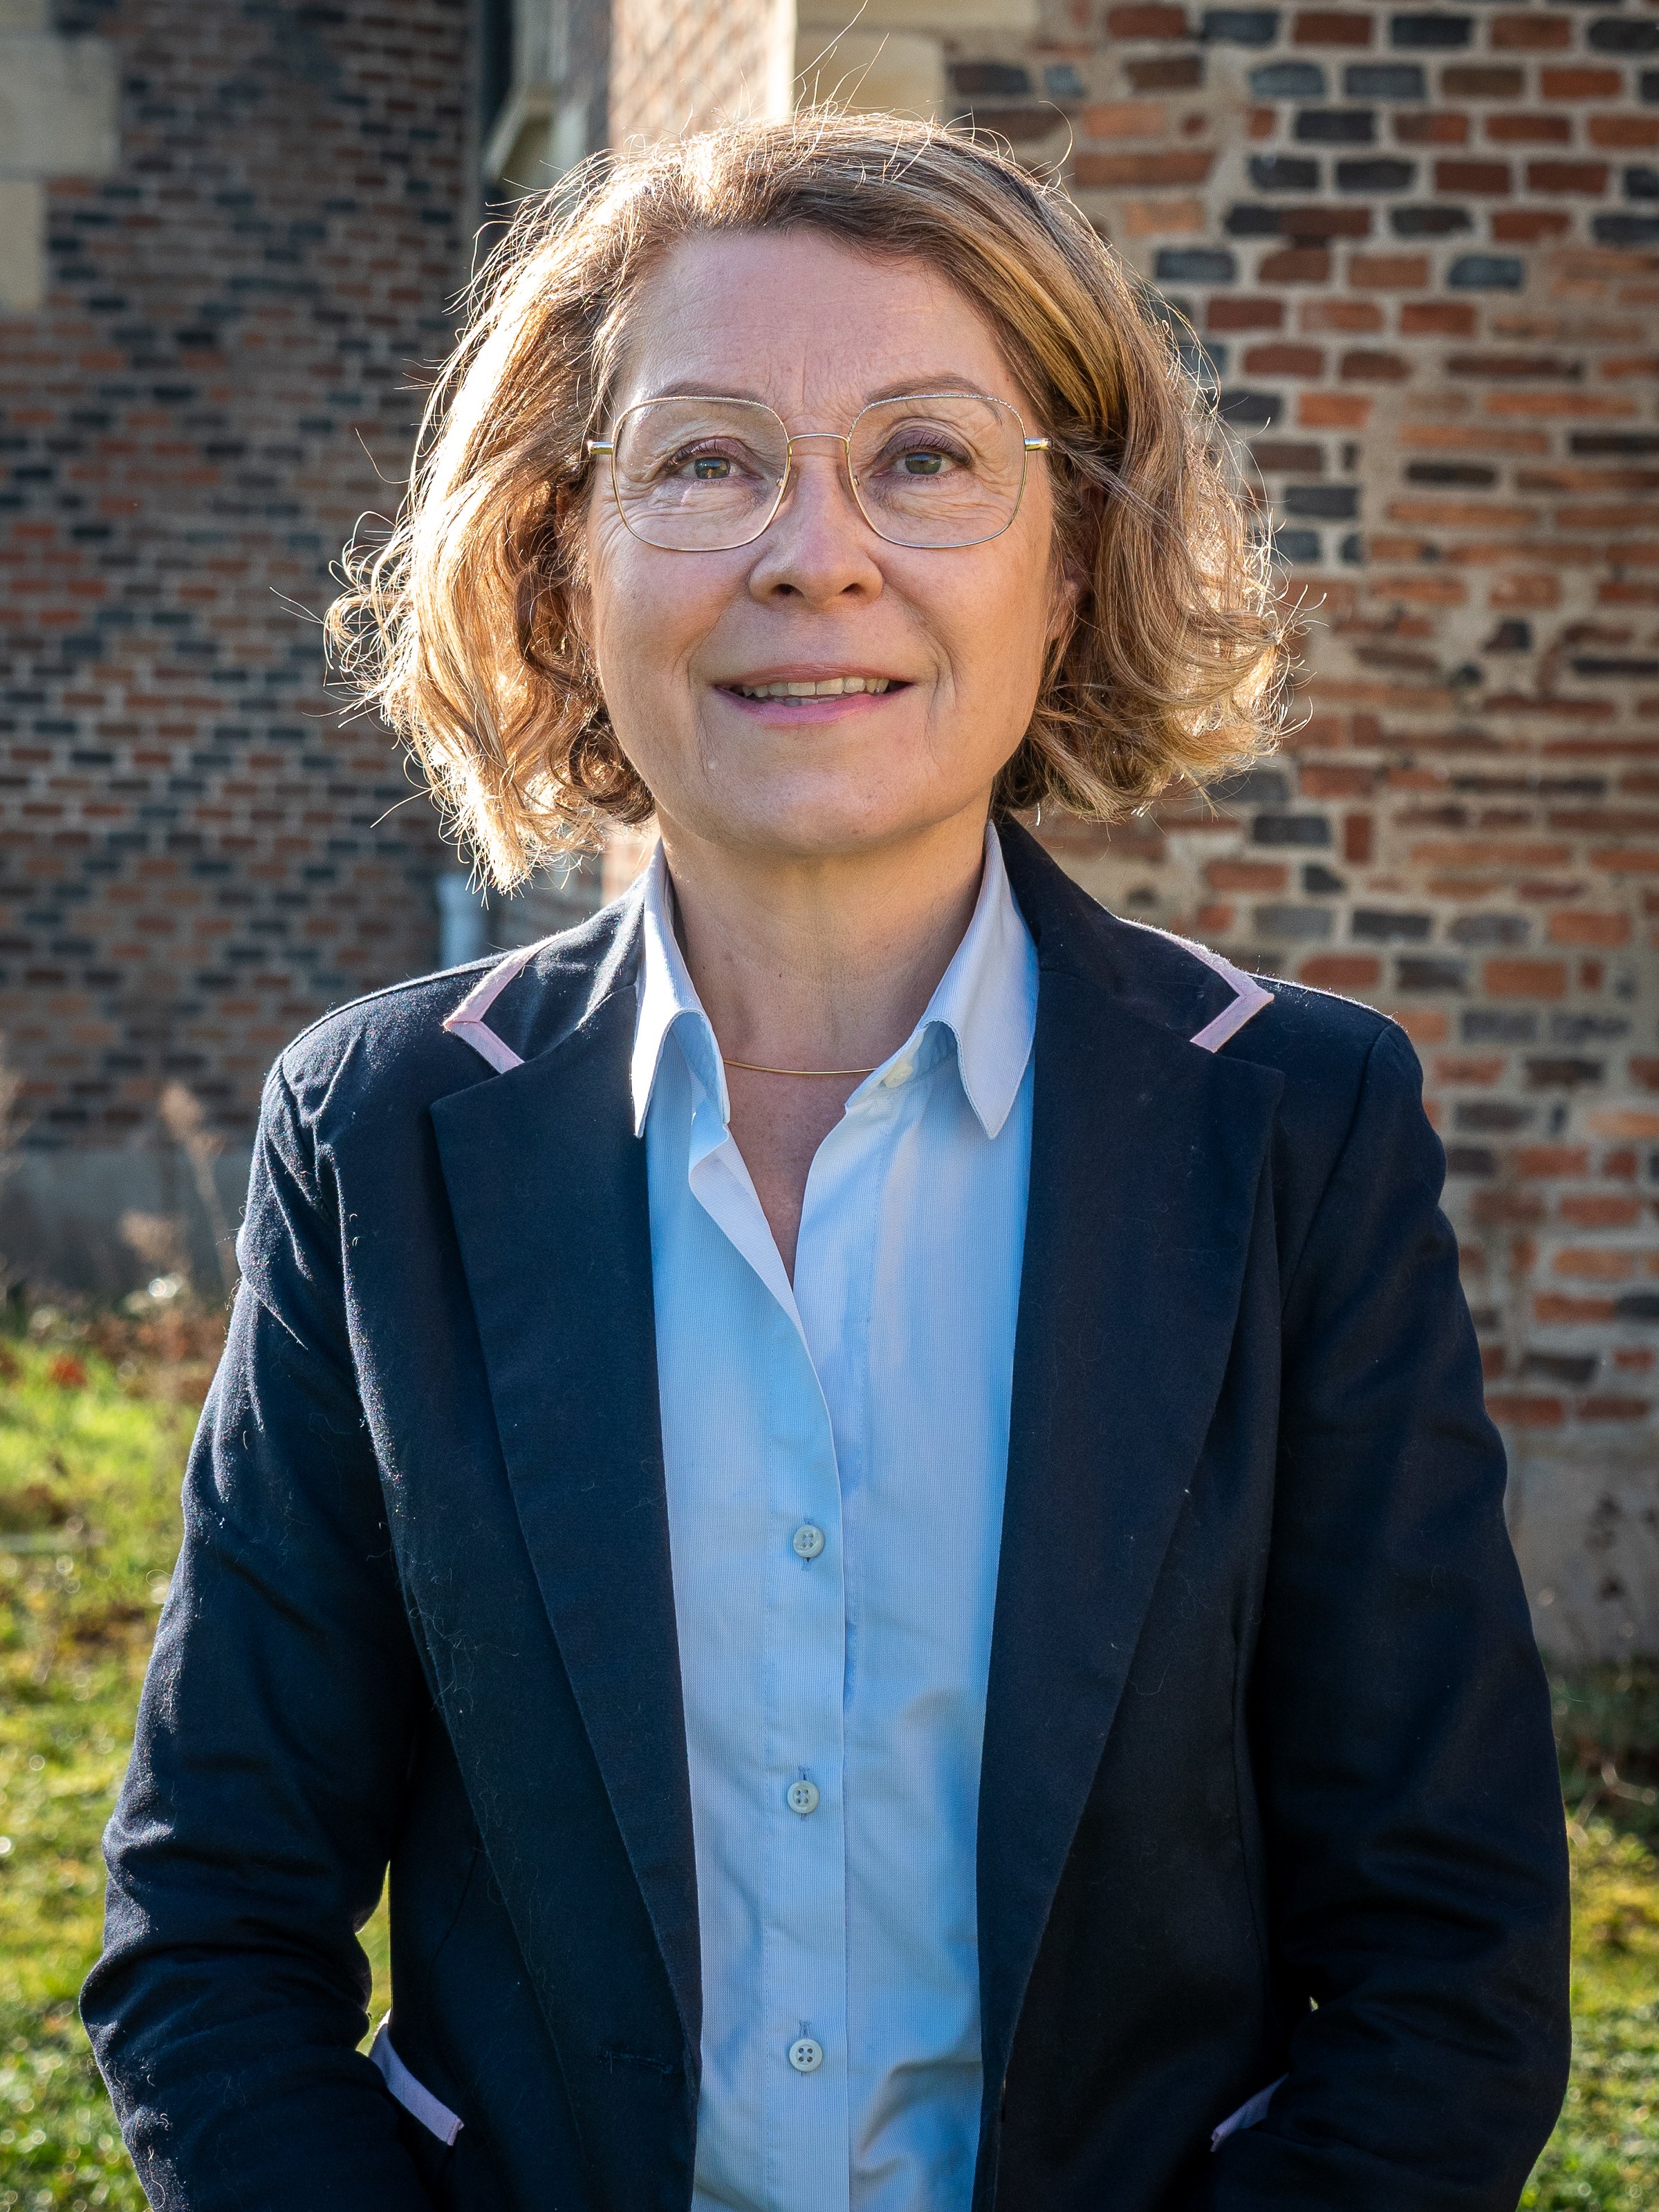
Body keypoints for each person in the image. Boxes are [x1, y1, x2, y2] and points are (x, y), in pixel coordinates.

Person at [84, 114, 1570, 2212]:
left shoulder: (1294, 1131)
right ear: (560, 557)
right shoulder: (384, 1136)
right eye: (704, 461)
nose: (816, 551)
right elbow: (213, 1939)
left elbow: (1449, 1970)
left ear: (1070, 560)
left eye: (926, 457)